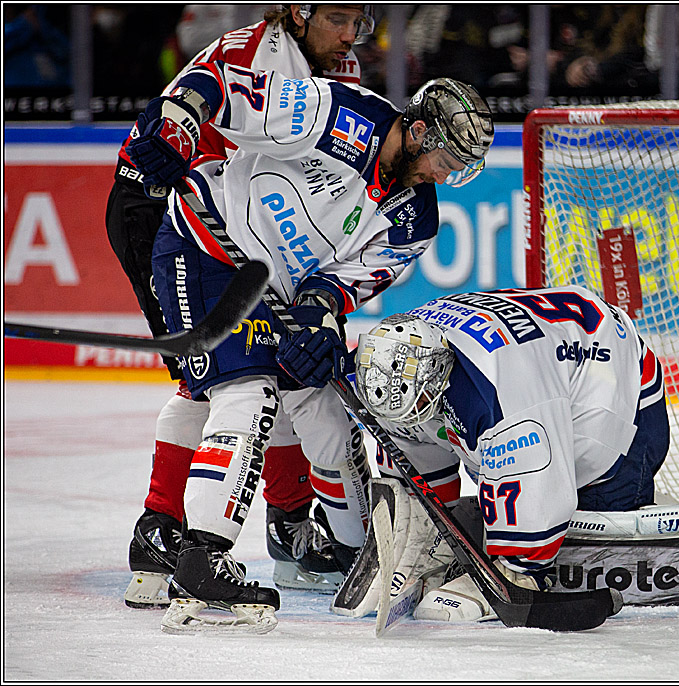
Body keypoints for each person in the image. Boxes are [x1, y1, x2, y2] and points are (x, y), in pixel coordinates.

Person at [124, 58, 493, 631]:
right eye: (444, 163)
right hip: (207, 246)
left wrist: (318, 317)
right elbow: (221, 85)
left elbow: (348, 278)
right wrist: (177, 119)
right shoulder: (339, 112)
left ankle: (352, 554)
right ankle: (201, 557)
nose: (443, 178)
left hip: (275, 290)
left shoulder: (417, 219)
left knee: (321, 408)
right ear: (419, 131)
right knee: (246, 394)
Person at [344, 288, 679, 622]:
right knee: (491, 492)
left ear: (444, 374)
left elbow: (536, 520)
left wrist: (507, 572)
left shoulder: (505, 395)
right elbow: (411, 450)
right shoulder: (397, 359)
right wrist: (425, 530)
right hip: (557, 354)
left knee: (595, 545)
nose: (413, 422)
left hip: (614, 396)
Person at [110, 5, 375, 612]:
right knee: (215, 381)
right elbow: (186, 104)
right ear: (298, 13)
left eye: (359, 20)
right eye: (338, 18)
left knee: (280, 368)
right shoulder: (245, 53)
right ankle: (161, 532)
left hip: (256, 232)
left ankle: (286, 524)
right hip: (170, 217)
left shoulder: (342, 65)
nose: (349, 34)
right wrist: (169, 134)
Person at [351, 286, 670, 619]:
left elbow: (538, 481)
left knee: (588, 530)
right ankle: (448, 540)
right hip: (537, 347)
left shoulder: (501, 387)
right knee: (420, 423)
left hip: (613, 377)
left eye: (419, 401)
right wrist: (429, 522)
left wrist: (517, 565)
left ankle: (518, 567)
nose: (415, 410)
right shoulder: (398, 359)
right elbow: (408, 438)